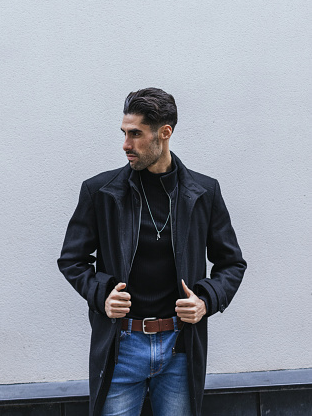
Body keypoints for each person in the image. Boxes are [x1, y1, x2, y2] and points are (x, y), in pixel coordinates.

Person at [58, 87, 247, 416]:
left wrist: (205, 301)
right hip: (122, 346)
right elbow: (72, 260)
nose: (126, 144)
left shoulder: (203, 192)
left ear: (164, 133)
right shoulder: (101, 192)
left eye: (135, 134)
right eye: (124, 133)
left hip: (179, 346)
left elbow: (232, 263)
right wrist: (101, 294)